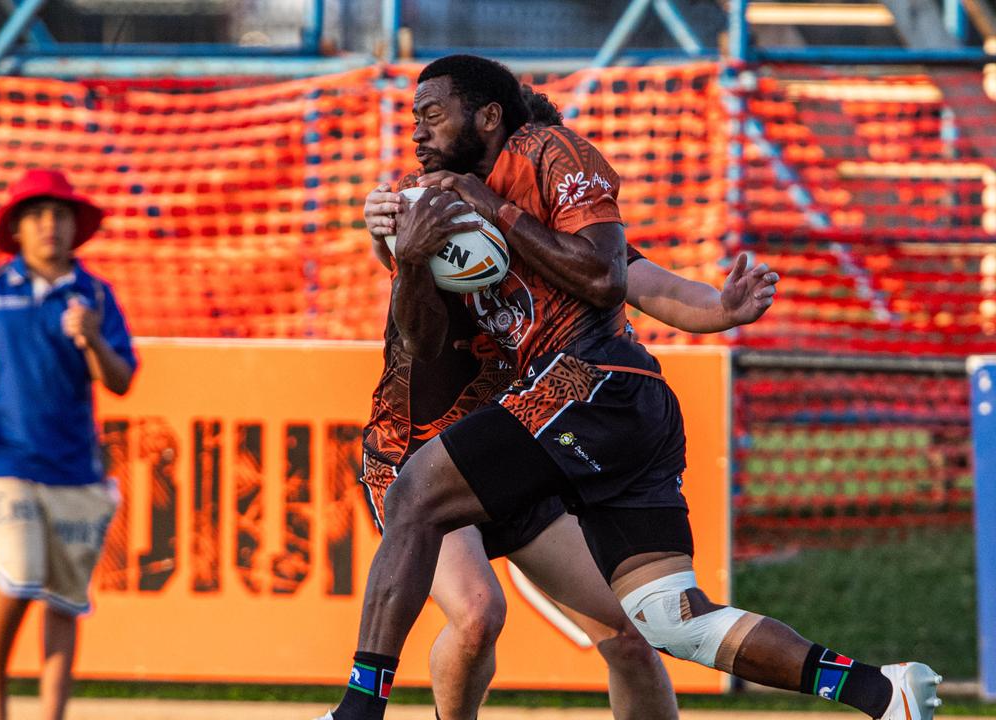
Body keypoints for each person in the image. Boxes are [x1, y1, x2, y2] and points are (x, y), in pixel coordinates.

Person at [325, 55, 941, 720]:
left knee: (436, 508)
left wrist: (719, 309)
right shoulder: (457, 232)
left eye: (433, 116)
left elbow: (631, 282)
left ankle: (360, 709)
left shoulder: (537, 171)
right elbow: (421, 337)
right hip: (555, 418)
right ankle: (881, 690)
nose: (419, 134)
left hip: (578, 399)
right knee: (667, 621)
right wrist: (406, 249)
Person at [355, 86, 780, 720]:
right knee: (477, 615)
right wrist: (394, 243)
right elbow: (418, 336)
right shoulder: (441, 221)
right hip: (420, 457)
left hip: (518, 449)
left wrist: (721, 308)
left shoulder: (564, 246)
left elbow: (647, 283)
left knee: (633, 633)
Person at [0, 168, 137, 720]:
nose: (49, 226)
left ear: (74, 227)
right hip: (6, 455)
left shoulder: (94, 295)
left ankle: (52, 713)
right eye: (37, 215)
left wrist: (90, 337)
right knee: (17, 573)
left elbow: (120, 378)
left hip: (76, 466)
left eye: (59, 215)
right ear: (16, 227)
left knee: (64, 598)